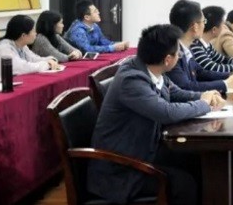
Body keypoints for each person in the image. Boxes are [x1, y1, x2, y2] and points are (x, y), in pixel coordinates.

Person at [88, 24, 225, 205]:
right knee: (184, 184)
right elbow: (166, 112)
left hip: (144, 148)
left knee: (197, 160)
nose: (180, 56)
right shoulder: (132, 79)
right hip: (122, 168)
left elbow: (176, 93)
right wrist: (204, 104)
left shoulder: (151, 68)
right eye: (178, 53)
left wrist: (203, 96)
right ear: (167, 59)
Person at [166, 0, 233, 92]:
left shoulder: (187, 47)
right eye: (203, 21)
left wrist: (230, 75)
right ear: (195, 27)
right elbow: (187, 87)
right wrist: (226, 84)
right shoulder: (172, 53)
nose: (205, 25)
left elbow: (201, 72)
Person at [191, 6, 233, 74]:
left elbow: (224, 60)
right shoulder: (195, 46)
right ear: (214, 30)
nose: (224, 27)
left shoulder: (207, 45)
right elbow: (214, 68)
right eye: (222, 24)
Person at [0, 15, 61, 79]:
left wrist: (50, 60)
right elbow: (23, 67)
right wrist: (47, 64)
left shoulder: (22, 45)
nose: (36, 33)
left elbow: (34, 59)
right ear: (23, 35)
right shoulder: (4, 49)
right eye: (33, 31)